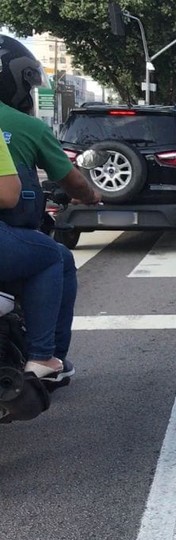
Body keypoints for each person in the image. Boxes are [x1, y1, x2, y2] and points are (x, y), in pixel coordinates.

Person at [0, 34, 100, 381]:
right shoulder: (25, 126)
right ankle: (47, 356)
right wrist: (89, 195)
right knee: (54, 256)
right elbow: (11, 194)